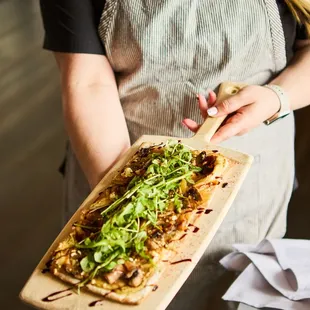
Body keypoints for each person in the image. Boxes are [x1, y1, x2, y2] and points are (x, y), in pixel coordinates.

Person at [40, 0, 310, 309]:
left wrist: (277, 97)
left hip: (252, 182)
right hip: (114, 162)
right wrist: (126, 202)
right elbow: (88, 81)